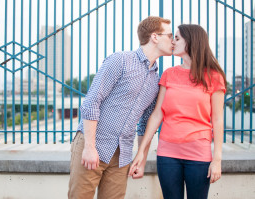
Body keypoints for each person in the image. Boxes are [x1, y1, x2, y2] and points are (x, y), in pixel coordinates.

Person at [68, 16, 173, 199]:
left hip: (122, 154)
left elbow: (146, 124)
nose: (173, 41)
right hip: (93, 143)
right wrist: (90, 147)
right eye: (170, 35)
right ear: (155, 37)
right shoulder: (121, 60)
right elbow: (92, 101)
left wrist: (141, 159)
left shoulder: (155, 80)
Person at [129, 24, 226, 199]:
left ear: (191, 41)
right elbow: (158, 114)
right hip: (167, 154)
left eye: (177, 38)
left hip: (199, 154)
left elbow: (218, 120)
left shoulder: (214, 77)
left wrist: (217, 160)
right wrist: (141, 152)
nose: (173, 42)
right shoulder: (169, 74)